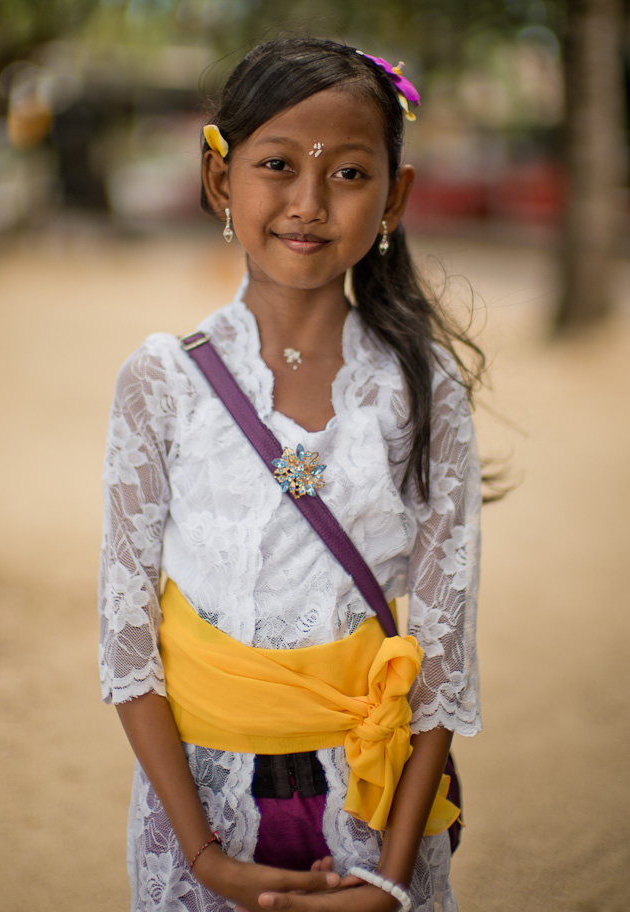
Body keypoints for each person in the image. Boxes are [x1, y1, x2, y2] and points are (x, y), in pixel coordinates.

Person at [98, 37, 483, 912]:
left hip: (372, 810)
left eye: (349, 174)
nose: (309, 203)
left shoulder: (418, 389)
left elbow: (447, 651)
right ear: (218, 181)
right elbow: (126, 643)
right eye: (277, 164)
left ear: (397, 195)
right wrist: (202, 854)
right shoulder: (163, 382)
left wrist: (389, 874)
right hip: (203, 807)